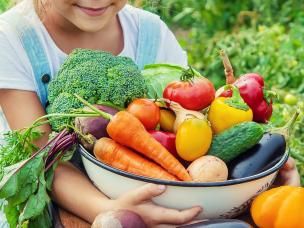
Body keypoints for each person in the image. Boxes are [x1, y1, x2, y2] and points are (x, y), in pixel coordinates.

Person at [0, 0, 300, 227]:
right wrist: (107, 210)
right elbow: (42, 156)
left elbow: (190, 127)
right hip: (54, 198)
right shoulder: (13, 38)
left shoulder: (150, 32)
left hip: (151, 188)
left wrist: (261, 173)